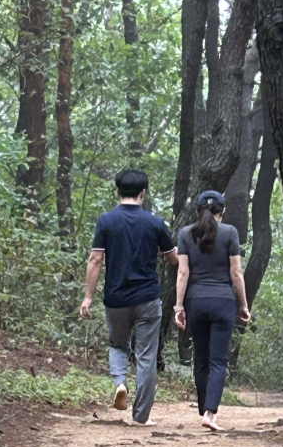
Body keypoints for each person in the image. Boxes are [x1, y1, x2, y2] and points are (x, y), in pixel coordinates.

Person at [80, 168, 177, 427]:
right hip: (147, 297)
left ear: (117, 191)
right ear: (143, 193)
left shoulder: (106, 221)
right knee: (147, 355)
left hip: (116, 298)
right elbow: (172, 257)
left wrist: (88, 296)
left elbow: (95, 259)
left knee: (118, 344)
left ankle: (120, 383)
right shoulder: (156, 223)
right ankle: (141, 417)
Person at [174, 190, 250, 431]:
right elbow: (236, 272)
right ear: (223, 210)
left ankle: (203, 407)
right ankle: (210, 412)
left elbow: (183, 273)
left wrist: (178, 305)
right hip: (223, 302)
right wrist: (244, 304)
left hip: (196, 302)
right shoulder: (230, 233)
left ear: (197, 211)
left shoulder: (186, 234)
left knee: (201, 357)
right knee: (219, 360)